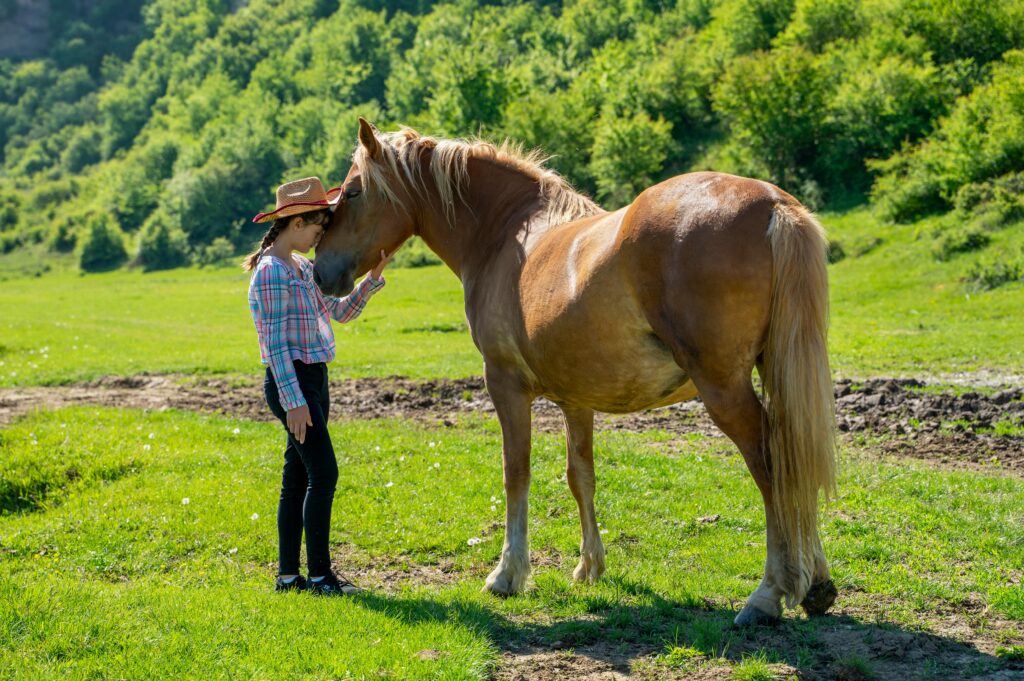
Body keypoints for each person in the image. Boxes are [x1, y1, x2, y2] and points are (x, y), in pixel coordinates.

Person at [243, 176, 393, 595]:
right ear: (295, 223)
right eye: (317, 228)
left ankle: (289, 577)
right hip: (291, 381)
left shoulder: (304, 268)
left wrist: (372, 281)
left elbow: (340, 313)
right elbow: (274, 344)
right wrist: (294, 402)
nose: (319, 236)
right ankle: (322, 577)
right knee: (324, 474)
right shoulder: (272, 272)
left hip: (314, 378)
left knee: (297, 477)